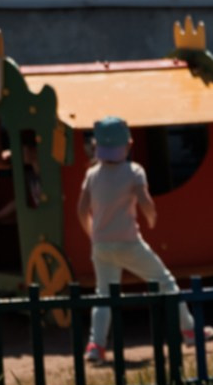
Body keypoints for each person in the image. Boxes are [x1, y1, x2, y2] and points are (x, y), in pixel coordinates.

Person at [76, 115, 199, 364]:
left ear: (96, 147)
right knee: (165, 282)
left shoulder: (92, 174)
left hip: (100, 245)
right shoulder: (134, 171)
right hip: (129, 242)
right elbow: (145, 200)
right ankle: (189, 330)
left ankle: (96, 346)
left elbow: (81, 210)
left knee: (104, 295)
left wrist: (92, 233)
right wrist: (151, 217)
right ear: (128, 146)